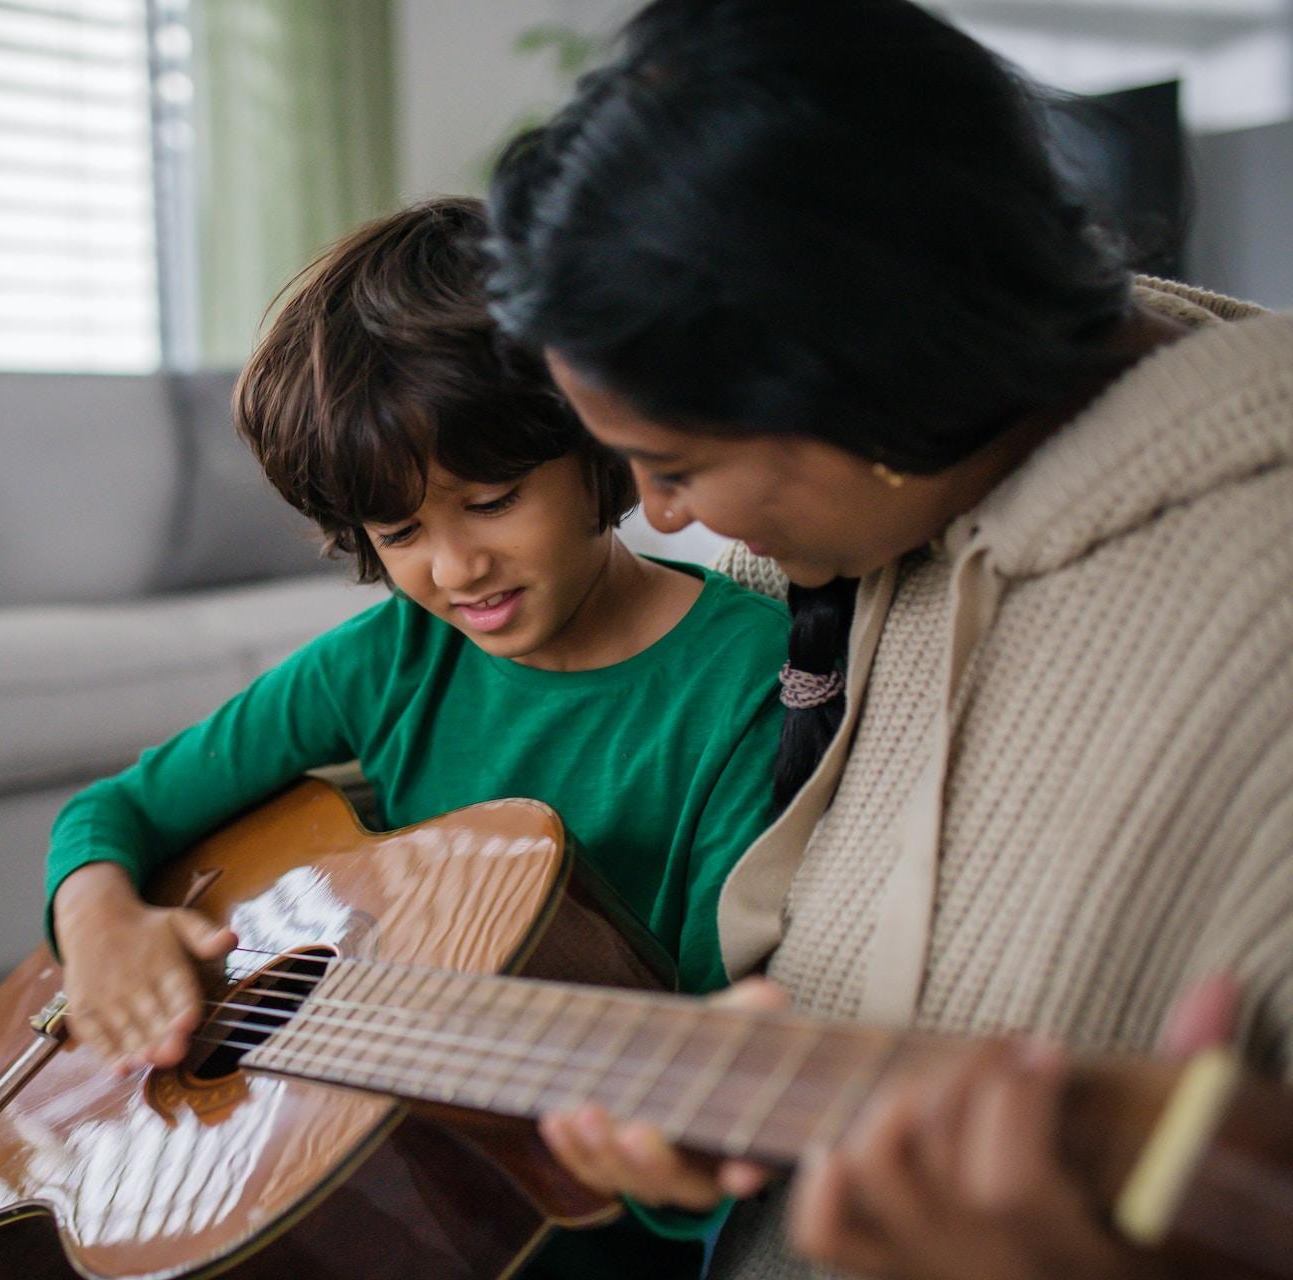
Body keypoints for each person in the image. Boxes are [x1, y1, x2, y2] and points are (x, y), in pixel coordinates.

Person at [481, 2, 1293, 1278]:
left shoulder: (1255, 597)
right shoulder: (858, 521)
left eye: (675, 464)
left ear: (869, 380)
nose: (658, 516)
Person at [45, 196, 789, 1274]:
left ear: (599, 444)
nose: (453, 568)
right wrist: (100, 916)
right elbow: (116, 807)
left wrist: (675, 1170)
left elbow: (716, 1046)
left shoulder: (743, 679)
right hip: (368, 1150)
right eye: (399, 530)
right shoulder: (383, 657)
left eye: (491, 498)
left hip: (573, 1209)